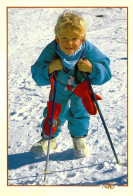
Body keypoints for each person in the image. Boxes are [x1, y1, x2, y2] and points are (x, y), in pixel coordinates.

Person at [30, 10, 112, 158]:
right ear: (57, 38)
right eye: (64, 38)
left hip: (80, 87)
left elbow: (106, 70)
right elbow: (36, 72)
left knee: (79, 111)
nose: (69, 43)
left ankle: (79, 139)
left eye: (74, 38)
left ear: (82, 38)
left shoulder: (87, 49)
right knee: (54, 111)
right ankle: (49, 138)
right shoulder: (52, 49)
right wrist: (49, 68)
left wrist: (92, 69)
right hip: (59, 86)